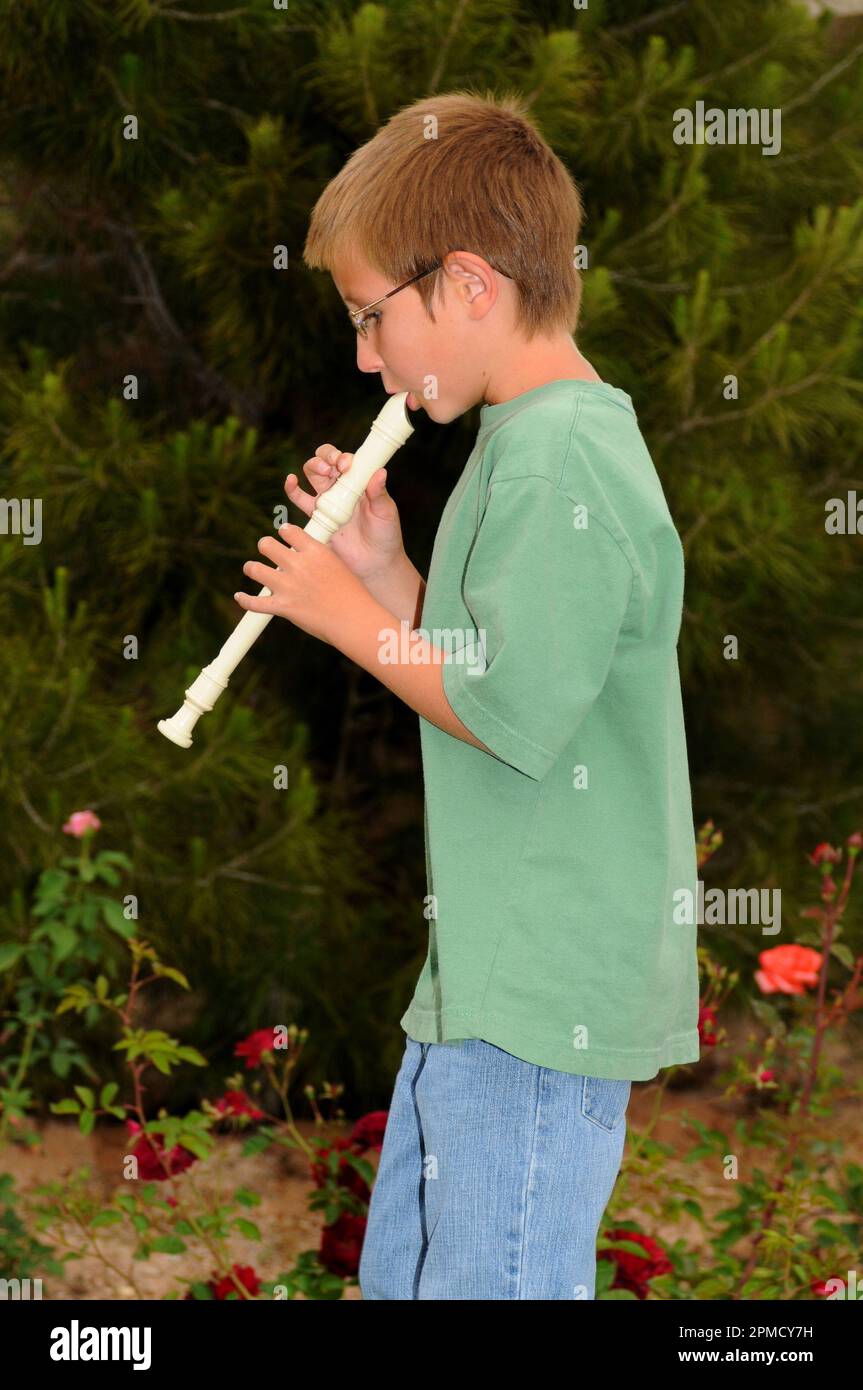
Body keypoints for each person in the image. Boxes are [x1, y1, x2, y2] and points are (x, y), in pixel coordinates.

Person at [234, 90, 700, 1299]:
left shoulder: (558, 458)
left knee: (491, 1280)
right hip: (489, 974)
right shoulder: (526, 440)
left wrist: (337, 616)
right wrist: (384, 571)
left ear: (470, 285)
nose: (363, 357)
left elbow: (504, 708)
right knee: (414, 1272)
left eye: (370, 316)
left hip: (540, 996)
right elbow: (490, 665)